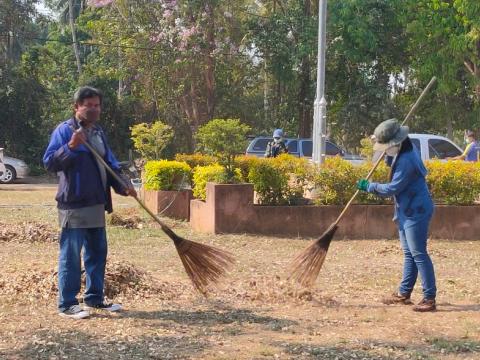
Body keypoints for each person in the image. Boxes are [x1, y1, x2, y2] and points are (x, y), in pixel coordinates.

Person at [43, 86, 137, 319]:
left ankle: (94, 298)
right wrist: (71, 147)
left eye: (97, 105)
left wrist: (123, 185)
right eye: (88, 105)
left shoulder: (98, 133)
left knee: (97, 253)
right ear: (77, 107)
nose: (93, 109)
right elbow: (49, 163)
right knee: (71, 255)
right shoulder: (65, 131)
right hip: (73, 205)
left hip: (97, 203)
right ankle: (67, 304)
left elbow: (111, 164)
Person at [356, 118, 437, 312]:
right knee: (409, 253)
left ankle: (429, 298)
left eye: (386, 146)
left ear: (396, 143)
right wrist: (387, 157)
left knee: (418, 253)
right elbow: (392, 165)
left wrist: (370, 186)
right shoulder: (403, 151)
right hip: (406, 209)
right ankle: (404, 293)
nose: (385, 148)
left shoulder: (407, 160)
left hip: (416, 211)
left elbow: (392, 188)